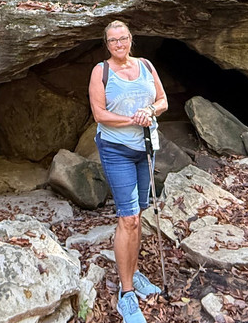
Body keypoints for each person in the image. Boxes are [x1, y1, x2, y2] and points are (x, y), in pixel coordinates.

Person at [88, 20, 169, 323]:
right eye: (112, 41)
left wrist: (150, 111)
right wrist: (133, 120)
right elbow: (99, 114)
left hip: (145, 149)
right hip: (116, 149)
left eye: (123, 39)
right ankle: (126, 293)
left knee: (139, 214)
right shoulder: (101, 71)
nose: (119, 45)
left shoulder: (146, 65)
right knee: (129, 217)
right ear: (106, 44)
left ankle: (134, 274)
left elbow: (162, 101)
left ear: (131, 40)